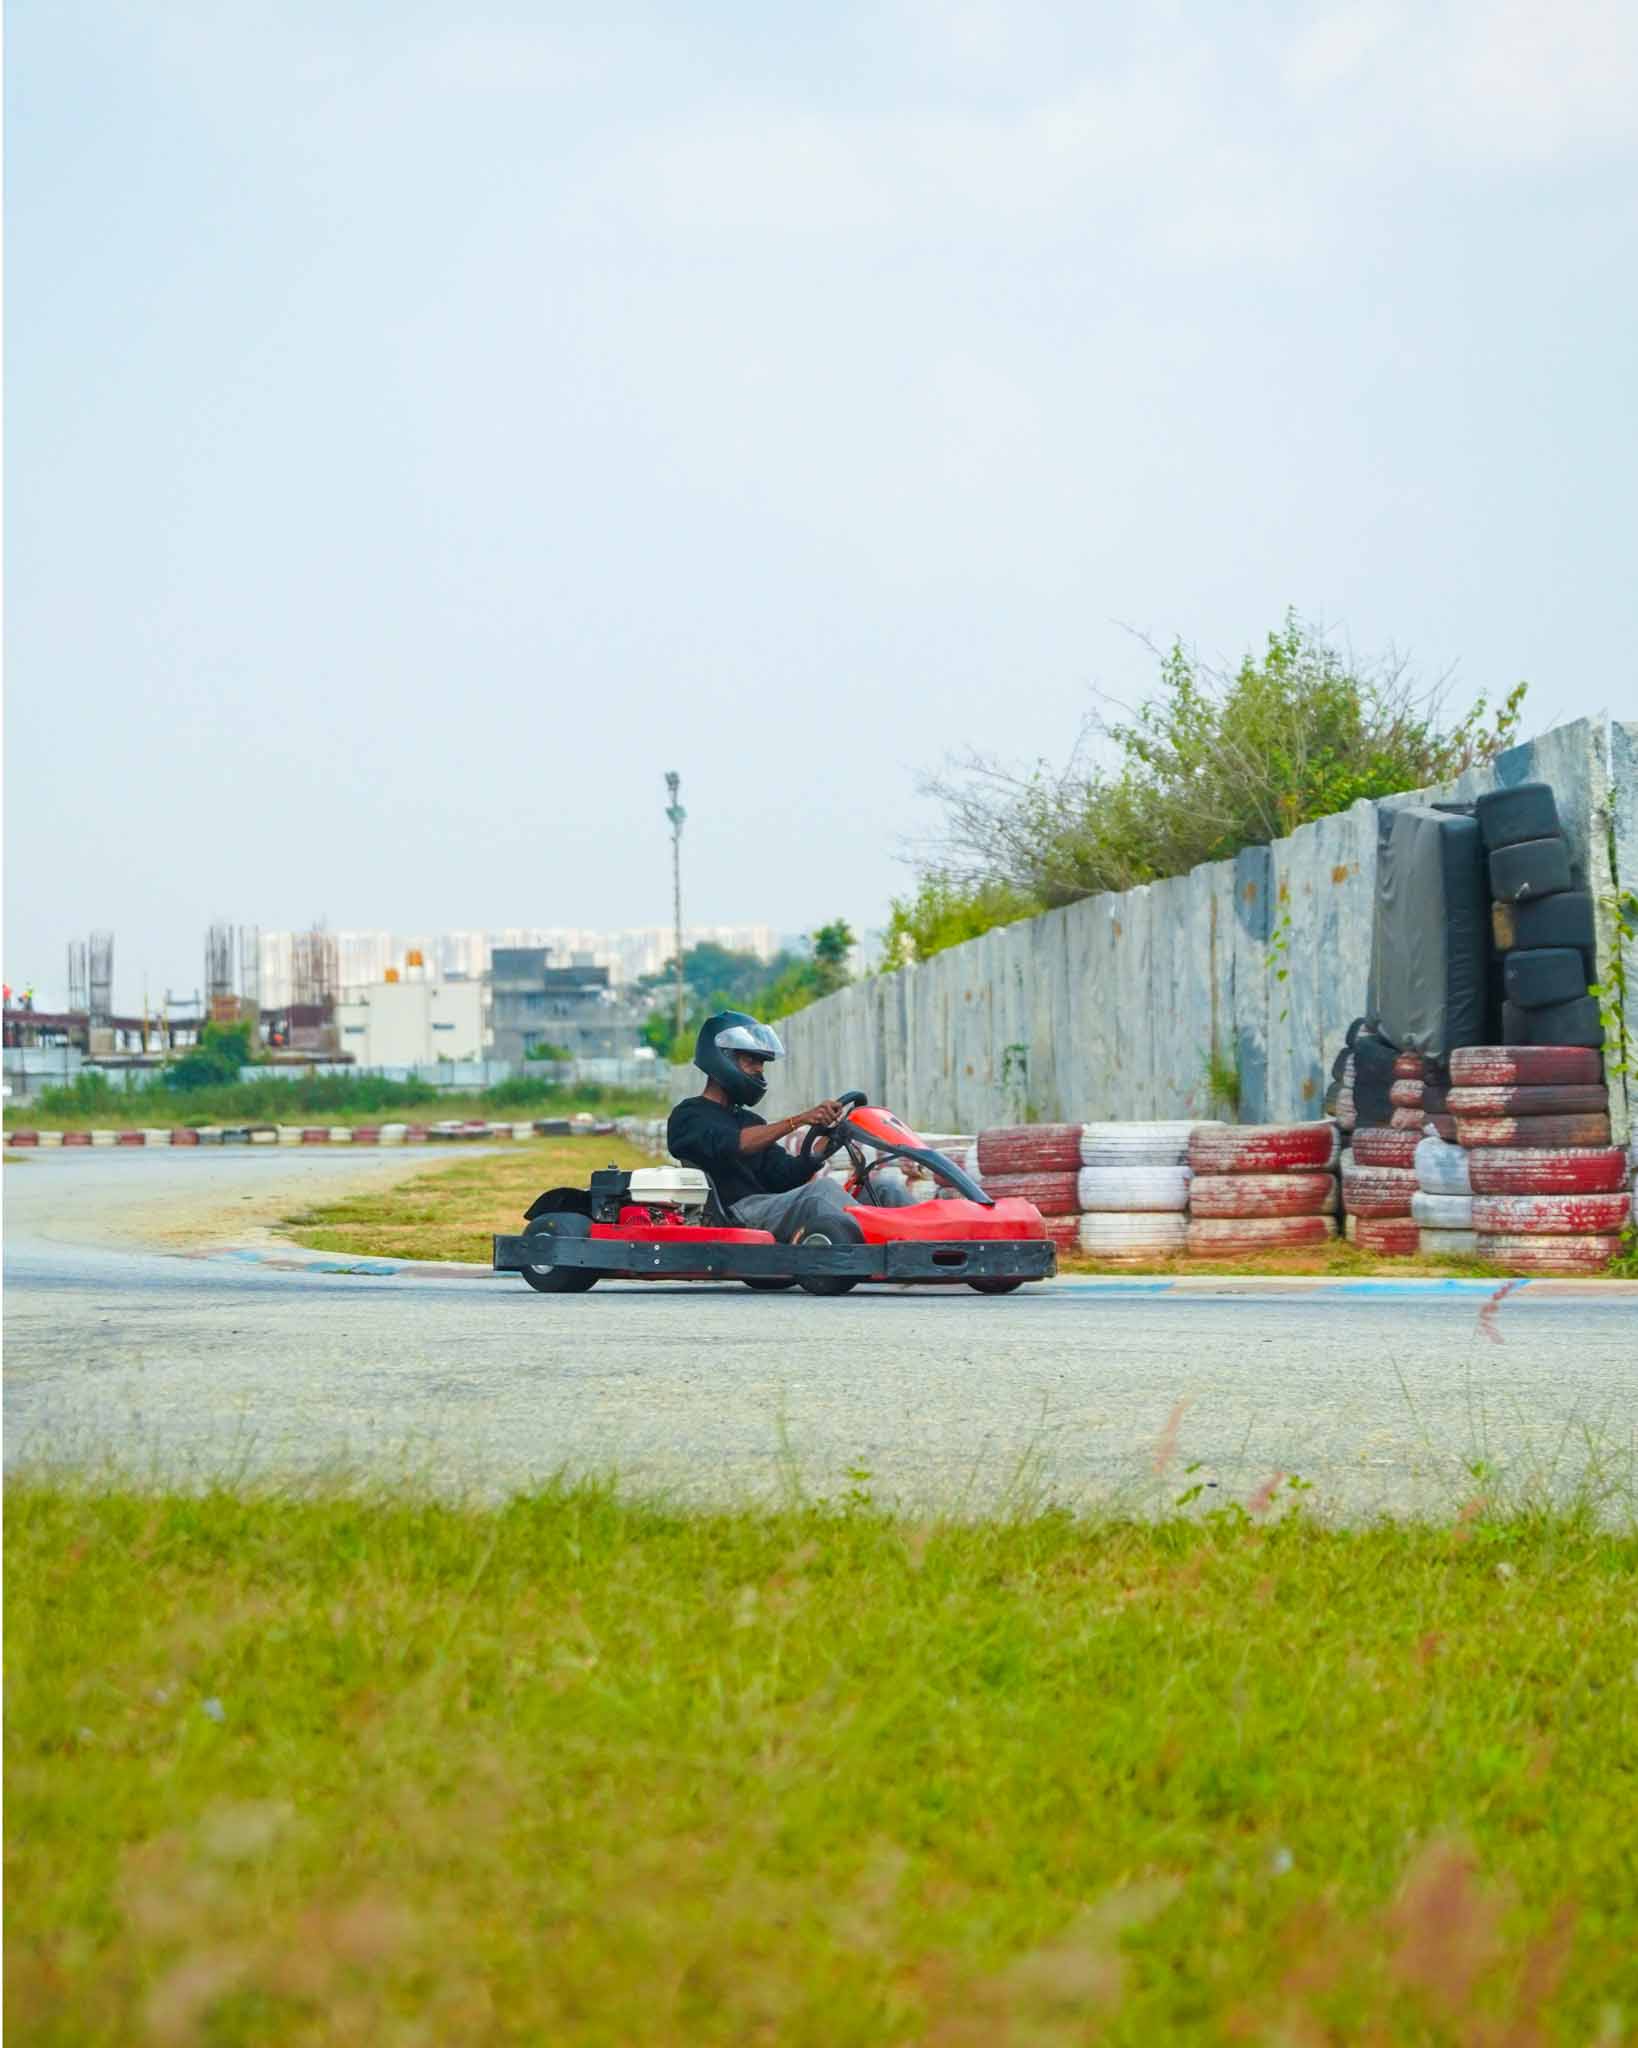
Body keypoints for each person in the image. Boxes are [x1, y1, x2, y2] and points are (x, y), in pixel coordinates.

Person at [666, 1010, 913, 1241]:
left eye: (762, 1063)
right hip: (737, 1214)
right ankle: (880, 1239)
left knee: (884, 1187)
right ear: (722, 1058)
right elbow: (735, 1144)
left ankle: (929, 1240)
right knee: (821, 1191)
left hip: (771, 1206)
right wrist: (799, 1120)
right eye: (751, 1060)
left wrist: (824, 1144)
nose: (759, 1070)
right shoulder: (688, 1116)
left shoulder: (750, 1121)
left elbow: (784, 1176)